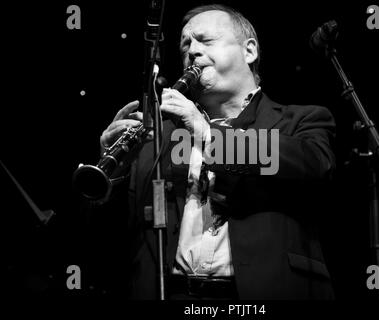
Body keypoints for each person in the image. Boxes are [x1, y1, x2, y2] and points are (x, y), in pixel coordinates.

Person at [98, 4, 336, 300]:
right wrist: (113, 171)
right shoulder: (159, 136)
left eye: (206, 41)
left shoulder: (301, 120)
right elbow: (109, 239)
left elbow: (315, 165)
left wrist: (209, 134)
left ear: (249, 51)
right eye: (186, 45)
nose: (192, 52)